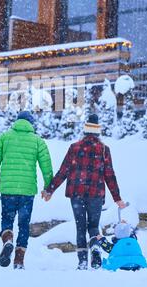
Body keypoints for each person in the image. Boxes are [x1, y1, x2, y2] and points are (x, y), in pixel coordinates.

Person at [42, 113, 126, 270]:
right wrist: (117, 198)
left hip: (77, 193)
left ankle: (82, 261)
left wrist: (50, 190)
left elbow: (64, 170)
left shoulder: (75, 148)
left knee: (80, 227)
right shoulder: (103, 150)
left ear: (85, 130)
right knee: (93, 226)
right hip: (96, 195)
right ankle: (95, 248)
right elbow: (109, 175)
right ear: (97, 132)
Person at [0, 111, 53, 269]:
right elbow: (47, 168)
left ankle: (8, 240)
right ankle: (19, 261)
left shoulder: (4, 138)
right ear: (31, 124)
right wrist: (47, 188)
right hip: (27, 192)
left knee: (7, 221)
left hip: (8, 190)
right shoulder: (37, 141)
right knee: (24, 225)